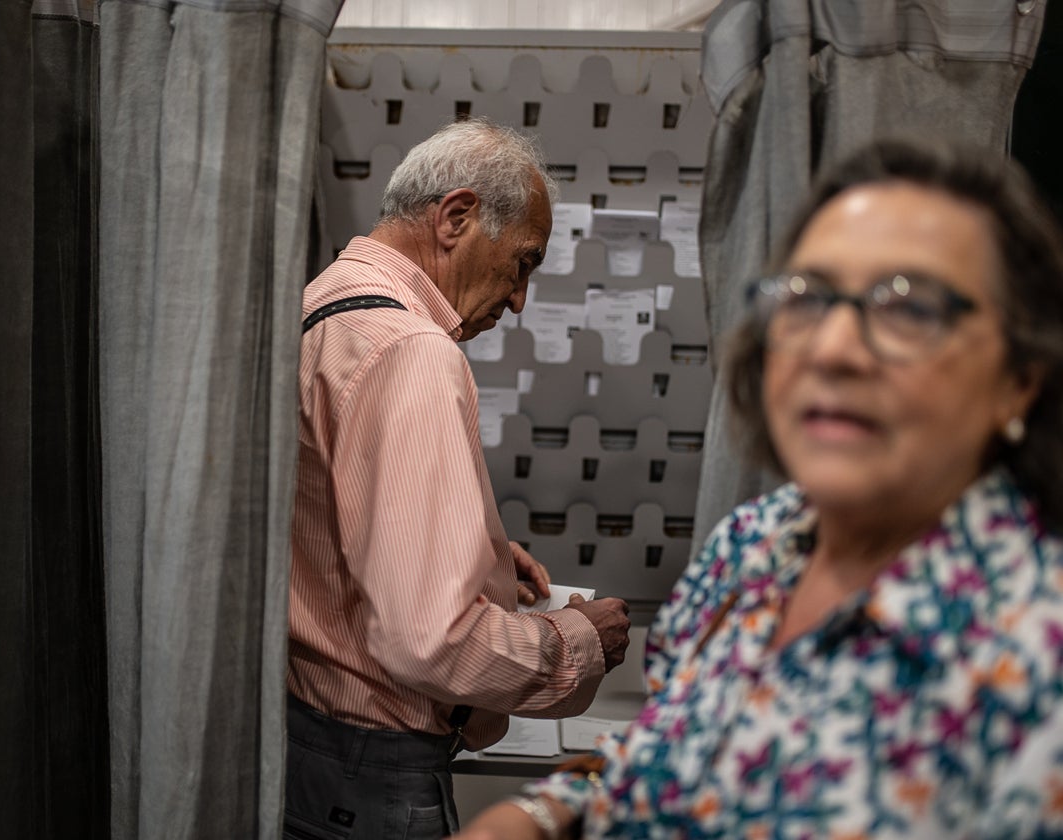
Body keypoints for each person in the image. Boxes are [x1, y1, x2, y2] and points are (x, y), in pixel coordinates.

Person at [453, 136, 1063, 839]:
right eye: (806, 299)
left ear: (1019, 377)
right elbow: (670, 748)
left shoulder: (1030, 653)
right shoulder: (749, 547)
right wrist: (535, 814)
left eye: (908, 306)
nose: (832, 349)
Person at [285, 118, 632, 840]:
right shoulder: (410, 351)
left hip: (307, 742)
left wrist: (473, 553)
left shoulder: (323, 305)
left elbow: (325, 521)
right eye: (523, 264)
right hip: (371, 771)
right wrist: (576, 645)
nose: (517, 301)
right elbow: (428, 640)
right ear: (457, 217)